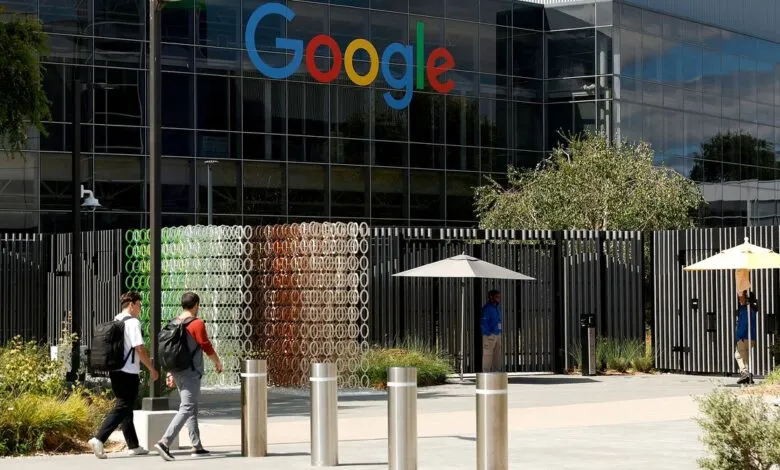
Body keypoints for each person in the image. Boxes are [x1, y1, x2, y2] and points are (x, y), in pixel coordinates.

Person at [89, 291, 159, 459]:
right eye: (140, 305)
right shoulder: (133, 322)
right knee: (123, 407)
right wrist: (151, 369)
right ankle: (99, 438)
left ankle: (133, 445)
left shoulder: (117, 319)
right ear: (132, 304)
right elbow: (140, 349)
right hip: (128, 371)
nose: (140, 309)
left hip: (115, 370)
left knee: (126, 407)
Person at [155, 292, 223, 461]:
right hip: (190, 371)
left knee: (191, 407)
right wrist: (217, 362)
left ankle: (196, 445)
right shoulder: (196, 323)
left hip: (177, 370)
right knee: (187, 407)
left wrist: (170, 372)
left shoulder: (174, 322)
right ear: (196, 305)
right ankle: (165, 441)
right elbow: (205, 345)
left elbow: (171, 351)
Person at [735, 290, 758, 385]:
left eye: (741, 297)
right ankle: (748, 376)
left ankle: (745, 373)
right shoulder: (752, 309)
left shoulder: (746, 310)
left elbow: (744, 324)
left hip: (744, 337)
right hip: (751, 337)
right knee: (745, 358)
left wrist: (739, 336)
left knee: (738, 355)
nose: (739, 299)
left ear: (746, 298)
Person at [481, 289, 503, 372]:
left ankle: (496, 372)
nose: (498, 298)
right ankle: (486, 372)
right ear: (491, 297)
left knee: (497, 355)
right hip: (490, 335)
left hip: (497, 334)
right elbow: (484, 322)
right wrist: (488, 333)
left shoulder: (497, 307)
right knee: (488, 355)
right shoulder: (487, 308)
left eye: (499, 296)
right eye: (496, 296)